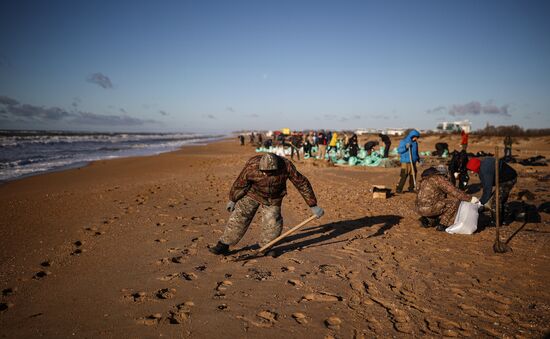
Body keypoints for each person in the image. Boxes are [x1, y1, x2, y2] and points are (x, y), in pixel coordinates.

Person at [209, 153, 324, 256]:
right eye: (264, 172)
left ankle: (266, 247)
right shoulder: (252, 166)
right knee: (239, 217)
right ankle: (223, 245)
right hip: (252, 194)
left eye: (270, 172)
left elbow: (301, 183)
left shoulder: (286, 166)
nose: (266, 174)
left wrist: (313, 205)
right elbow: (240, 183)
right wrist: (233, 199)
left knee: (273, 222)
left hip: (274, 197)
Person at [416, 165, 477, 231]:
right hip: (430, 207)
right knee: (454, 202)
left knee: (441, 203)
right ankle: (444, 225)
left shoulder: (425, 179)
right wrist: (470, 199)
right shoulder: (439, 179)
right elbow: (454, 191)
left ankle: (426, 219)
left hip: (419, 207)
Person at [466, 157, 517, 222]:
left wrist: (480, 203)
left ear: (476, 167)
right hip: (503, 179)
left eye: (471, 170)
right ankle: (504, 217)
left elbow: (488, 190)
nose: (471, 172)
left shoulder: (485, 170)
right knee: (499, 199)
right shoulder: (482, 167)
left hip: (509, 179)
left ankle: (498, 222)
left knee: (495, 201)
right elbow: (485, 185)